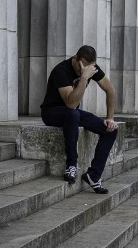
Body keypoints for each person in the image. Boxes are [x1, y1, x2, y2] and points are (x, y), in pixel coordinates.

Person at [40, 45, 118, 194]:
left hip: (72, 114)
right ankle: (71, 165)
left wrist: (110, 118)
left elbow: (110, 89)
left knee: (111, 131)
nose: (83, 69)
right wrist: (84, 77)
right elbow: (71, 103)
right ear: (75, 59)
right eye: (81, 66)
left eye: (87, 68)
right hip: (51, 112)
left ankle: (93, 175)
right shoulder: (61, 71)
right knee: (73, 113)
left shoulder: (91, 68)